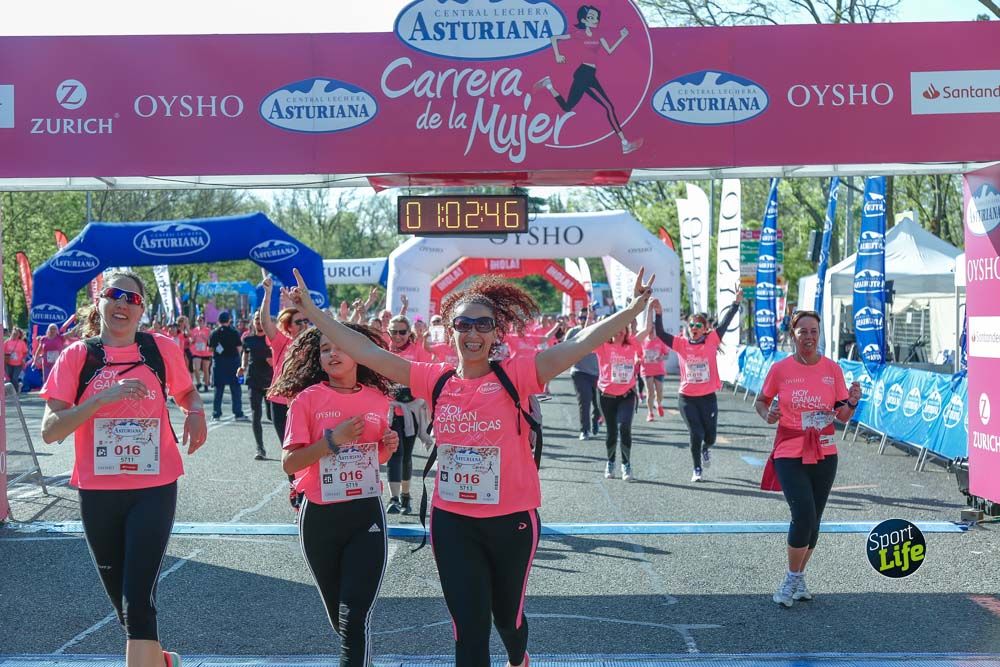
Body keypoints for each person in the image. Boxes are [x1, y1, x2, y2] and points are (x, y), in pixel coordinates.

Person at [283, 266, 654, 667]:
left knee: (507, 620)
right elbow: (365, 350)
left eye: (483, 324)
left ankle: (518, 657)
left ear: (496, 333)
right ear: (451, 329)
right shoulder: (435, 379)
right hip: (452, 521)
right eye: (464, 323)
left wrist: (634, 308)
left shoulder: (519, 375)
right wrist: (314, 312)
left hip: (512, 519)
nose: (473, 333)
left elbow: (580, 343)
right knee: (470, 630)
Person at [38, 269, 207, 667]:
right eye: (115, 295)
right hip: (98, 493)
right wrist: (101, 399)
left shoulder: (160, 349)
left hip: (154, 486)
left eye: (132, 299)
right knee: (124, 603)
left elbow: (187, 392)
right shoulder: (78, 356)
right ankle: (163, 661)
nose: (123, 304)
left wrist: (196, 411)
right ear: (99, 301)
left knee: (137, 596)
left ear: (142, 309)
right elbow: (50, 431)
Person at [272, 323, 399, 666]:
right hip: (320, 517)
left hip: (365, 513)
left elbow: (375, 457)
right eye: (325, 348)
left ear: (359, 353)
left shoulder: (377, 399)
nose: (332, 353)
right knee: (340, 618)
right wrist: (332, 440)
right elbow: (290, 463)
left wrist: (387, 446)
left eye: (340, 346)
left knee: (354, 615)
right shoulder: (307, 400)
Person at [754, 310, 861, 607]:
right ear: (793, 335)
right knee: (802, 516)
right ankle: (791, 578)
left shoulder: (832, 369)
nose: (809, 337)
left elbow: (842, 415)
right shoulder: (781, 369)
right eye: (803, 332)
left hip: (825, 451)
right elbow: (761, 402)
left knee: (814, 520)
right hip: (789, 449)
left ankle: (799, 577)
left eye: (814, 331)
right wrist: (769, 414)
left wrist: (852, 401)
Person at [651, 288, 743, 482]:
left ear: (704, 328)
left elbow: (725, 323)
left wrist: (736, 303)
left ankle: (706, 449)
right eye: (691, 324)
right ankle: (697, 468)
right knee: (696, 432)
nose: (694, 327)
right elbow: (659, 332)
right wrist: (658, 313)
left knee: (710, 437)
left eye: (698, 325)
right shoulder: (681, 343)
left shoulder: (712, 340)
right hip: (687, 398)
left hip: (708, 397)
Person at [535, 5, 642, 154]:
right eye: (591, 17)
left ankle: (549, 85)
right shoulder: (579, 34)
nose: (595, 20)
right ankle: (624, 144)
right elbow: (554, 38)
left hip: (589, 74)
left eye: (596, 18)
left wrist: (622, 37)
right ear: (584, 20)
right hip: (583, 74)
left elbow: (610, 50)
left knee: (567, 107)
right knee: (609, 107)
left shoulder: (599, 35)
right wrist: (557, 55)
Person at [385, 311, 432, 515]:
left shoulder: (417, 350)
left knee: (406, 456)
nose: (397, 336)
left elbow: (426, 375)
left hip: (412, 411)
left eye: (402, 332)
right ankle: (393, 498)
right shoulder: (383, 351)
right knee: (395, 453)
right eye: (394, 332)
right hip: (391, 410)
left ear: (408, 332)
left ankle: (406, 496)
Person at [593, 318, 645, 481]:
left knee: (624, 427)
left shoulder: (632, 344)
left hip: (627, 395)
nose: (620, 331)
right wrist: (589, 321)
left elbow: (648, 330)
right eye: (616, 328)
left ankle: (626, 464)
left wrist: (649, 310)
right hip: (606, 396)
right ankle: (610, 462)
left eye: (623, 328)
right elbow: (587, 339)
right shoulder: (603, 346)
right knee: (612, 432)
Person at [239, 312, 273, 460]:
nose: (259, 322)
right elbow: (245, 355)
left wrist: (271, 361)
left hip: (270, 382)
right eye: (256, 319)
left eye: (261, 319)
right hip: (253, 380)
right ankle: (260, 448)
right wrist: (242, 367)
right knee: (256, 414)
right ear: (253, 322)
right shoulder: (248, 339)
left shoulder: (271, 339)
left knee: (271, 416)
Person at [564, 308, 601, 440]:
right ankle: (584, 429)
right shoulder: (573, 331)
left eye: (587, 317)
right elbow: (565, 347)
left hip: (598, 373)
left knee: (599, 404)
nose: (584, 320)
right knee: (585, 400)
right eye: (581, 318)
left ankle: (595, 419)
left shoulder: (599, 330)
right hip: (579, 372)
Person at [209, 311, 245, 422]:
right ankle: (238, 413)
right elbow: (239, 348)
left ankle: (216, 413)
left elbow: (210, 349)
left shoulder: (214, 333)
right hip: (233, 362)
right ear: (229, 320)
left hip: (219, 363)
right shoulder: (234, 332)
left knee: (218, 389)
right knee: (235, 388)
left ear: (219, 321)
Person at [639, 312, 670, 422]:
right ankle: (650, 413)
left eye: (653, 328)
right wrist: (639, 359)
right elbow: (637, 356)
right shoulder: (642, 341)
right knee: (650, 391)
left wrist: (661, 358)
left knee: (659, 391)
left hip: (659, 370)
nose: (651, 330)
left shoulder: (660, 341)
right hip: (646, 370)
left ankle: (659, 403)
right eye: (650, 328)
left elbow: (667, 355)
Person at [189, 315, 212, 391]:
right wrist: (193, 339)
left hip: (206, 352)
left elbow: (210, 341)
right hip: (196, 352)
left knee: (205, 369)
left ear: (204, 322)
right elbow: (191, 341)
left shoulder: (208, 330)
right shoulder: (194, 330)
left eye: (200, 320)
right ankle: (198, 383)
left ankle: (206, 384)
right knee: (196, 368)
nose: (199, 322)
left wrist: (204, 337)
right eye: (198, 321)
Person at [4, 326, 29, 392]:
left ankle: (15, 391)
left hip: (18, 364)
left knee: (14, 378)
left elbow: (25, 352)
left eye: (17, 334)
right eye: (14, 333)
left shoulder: (21, 343)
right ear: (12, 333)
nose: (15, 334)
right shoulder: (6, 342)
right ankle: (12, 391)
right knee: (9, 378)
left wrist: (23, 359)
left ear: (19, 335)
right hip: (8, 363)